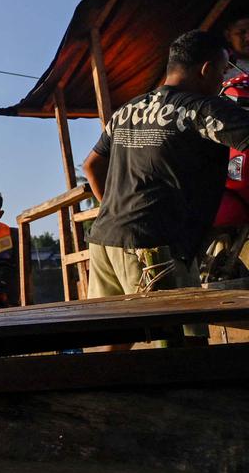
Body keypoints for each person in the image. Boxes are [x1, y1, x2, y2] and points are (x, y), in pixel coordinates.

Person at [83, 30, 249, 348]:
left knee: (110, 343)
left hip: (104, 239)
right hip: (153, 248)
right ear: (206, 69)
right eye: (223, 69)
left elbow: (91, 165)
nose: (222, 79)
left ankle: (95, 397)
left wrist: (114, 210)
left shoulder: (126, 111)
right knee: (180, 347)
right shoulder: (201, 109)